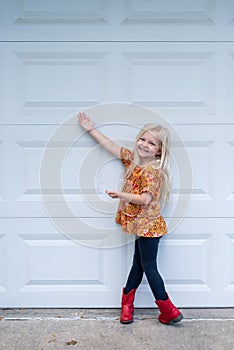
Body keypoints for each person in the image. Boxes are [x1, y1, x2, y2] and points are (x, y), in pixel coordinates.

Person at [77, 111, 183, 325]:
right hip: (140, 226)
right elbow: (112, 147)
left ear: (159, 151)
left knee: (149, 267)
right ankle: (127, 308)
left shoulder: (152, 172)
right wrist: (91, 130)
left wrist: (120, 195)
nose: (144, 144)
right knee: (139, 265)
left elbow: (144, 199)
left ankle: (168, 310)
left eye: (151, 143)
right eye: (142, 139)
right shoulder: (133, 162)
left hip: (150, 227)